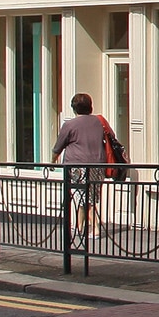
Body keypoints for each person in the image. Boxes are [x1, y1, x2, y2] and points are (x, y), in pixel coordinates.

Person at [51, 92, 118, 239]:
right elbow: (112, 137)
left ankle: (95, 228)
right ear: (90, 106)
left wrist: (51, 162)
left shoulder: (69, 125)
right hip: (97, 164)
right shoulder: (99, 122)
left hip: (77, 166)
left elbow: (58, 147)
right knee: (90, 197)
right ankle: (79, 226)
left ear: (74, 108)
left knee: (82, 198)